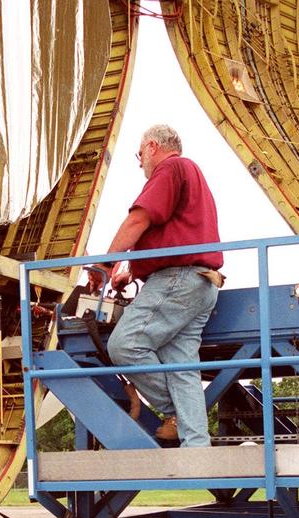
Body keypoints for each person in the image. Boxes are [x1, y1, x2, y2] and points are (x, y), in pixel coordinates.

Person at [89, 124, 224, 448]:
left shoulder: (171, 166)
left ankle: (174, 411)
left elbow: (139, 220)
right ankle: (196, 448)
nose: (140, 163)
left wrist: (105, 266)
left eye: (139, 154)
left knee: (124, 345)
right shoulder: (192, 175)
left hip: (177, 279)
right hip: (201, 282)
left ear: (152, 146)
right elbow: (177, 235)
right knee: (182, 366)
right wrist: (133, 272)